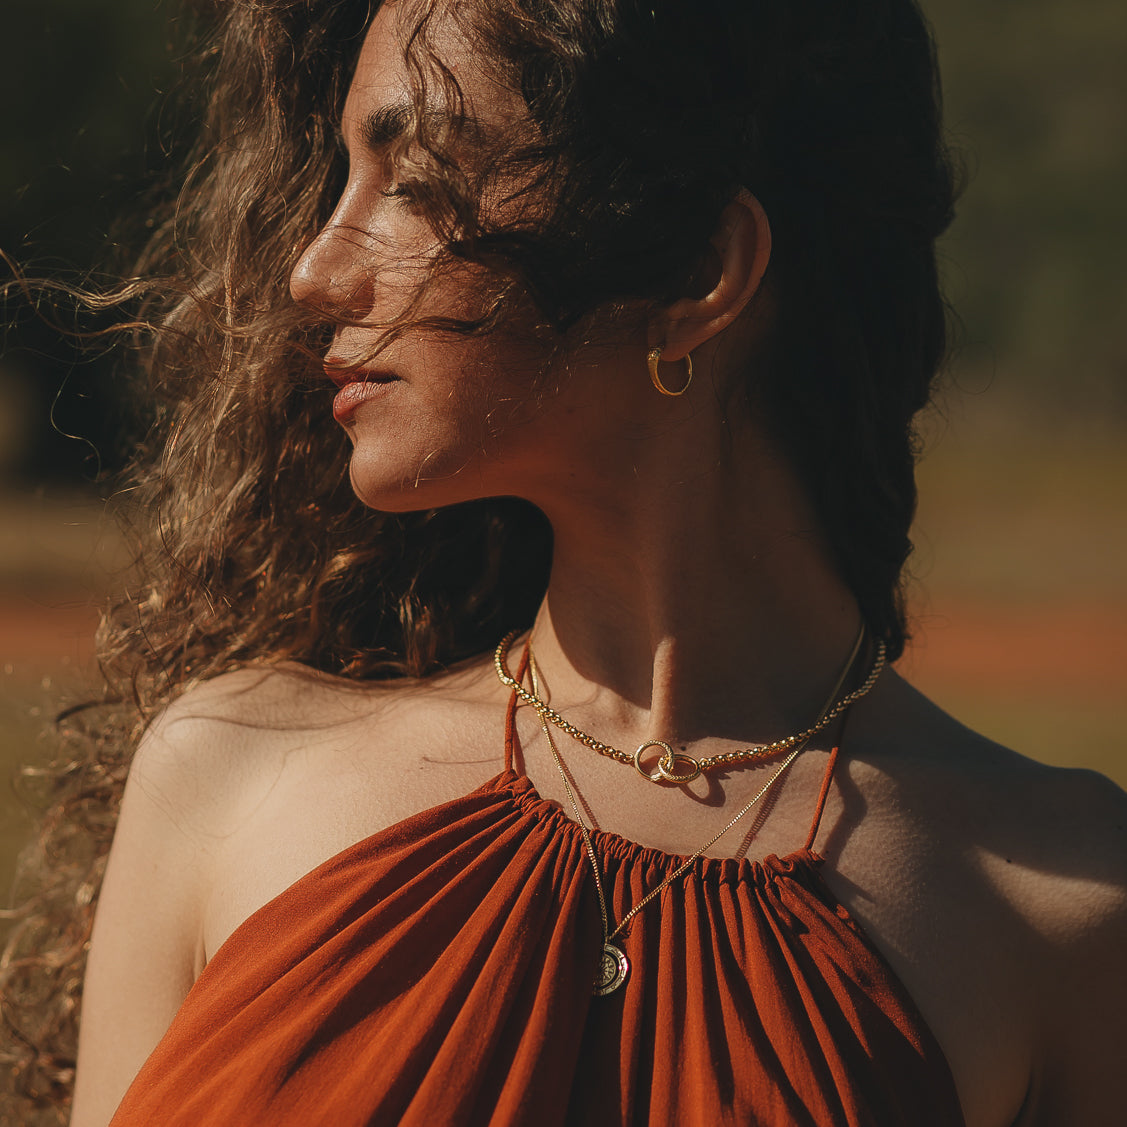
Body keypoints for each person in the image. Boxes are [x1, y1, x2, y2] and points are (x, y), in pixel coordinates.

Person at [4, 0, 1123, 1124]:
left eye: (410, 176)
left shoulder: (1061, 903)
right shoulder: (225, 775)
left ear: (697, 269)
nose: (313, 270)